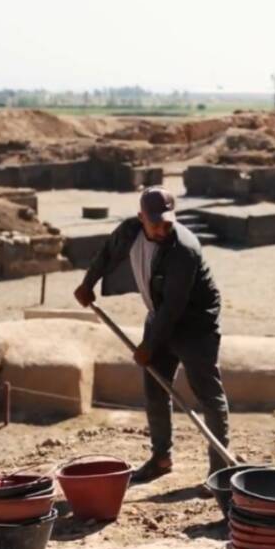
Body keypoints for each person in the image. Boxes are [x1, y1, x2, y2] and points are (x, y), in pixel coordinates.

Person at [73, 186, 229, 484]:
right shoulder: (130, 230)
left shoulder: (184, 249)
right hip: (161, 316)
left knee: (209, 396)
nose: (161, 229)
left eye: (167, 222)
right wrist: (87, 283)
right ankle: (161, 458)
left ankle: (220, 470)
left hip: (195, 324)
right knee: (155, 391)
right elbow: (108, 253)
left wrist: (148, 345)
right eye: (154, 222)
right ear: (140, 217)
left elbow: (174, 306)